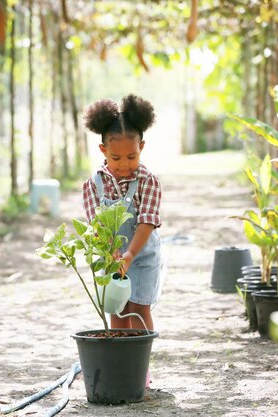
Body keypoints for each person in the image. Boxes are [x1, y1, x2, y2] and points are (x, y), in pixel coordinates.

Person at [82, 94, 162, 386]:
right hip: (113, 255)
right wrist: (113, 251)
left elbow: (147, 222)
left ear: (141, 148)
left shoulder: (148, 181)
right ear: (103, 150)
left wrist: (129, 254)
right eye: (116, 158)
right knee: (118, 309)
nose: (124, 164)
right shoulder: (94, 184)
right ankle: (122, 365)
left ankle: (140, 367)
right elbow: (96, 223)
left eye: (132, 156)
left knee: (139, 309)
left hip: (142, 257)